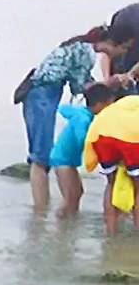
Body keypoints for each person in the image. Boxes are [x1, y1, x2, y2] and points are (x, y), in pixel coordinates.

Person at [22, 26, 128, 213]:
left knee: (42, 154)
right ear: (112, 44)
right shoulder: (86, 53)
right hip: (42, 91)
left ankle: (42, 212)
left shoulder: (81, 47)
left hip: (44, 90)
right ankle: (40, 212)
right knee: (40, 156)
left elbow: (80, 89)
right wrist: (110, 83)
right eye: (122, 49)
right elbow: (82, 87)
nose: (121, 54)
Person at [80, 85, 139, 234]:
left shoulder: (106, 113)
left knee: (111, 183)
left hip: (101, 136)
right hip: (130, 138)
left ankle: (110, 231)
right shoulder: (132, 102)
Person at [49, 83, 113, 217]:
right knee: (70, 197)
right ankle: (59, 226)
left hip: (67, 160)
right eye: (108, 105)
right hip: (62, 161)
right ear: (100, 104)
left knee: (78, 193)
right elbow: (82, 139)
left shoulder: (81, 112)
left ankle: (71, 223)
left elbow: (63, 108)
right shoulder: (83, 119)